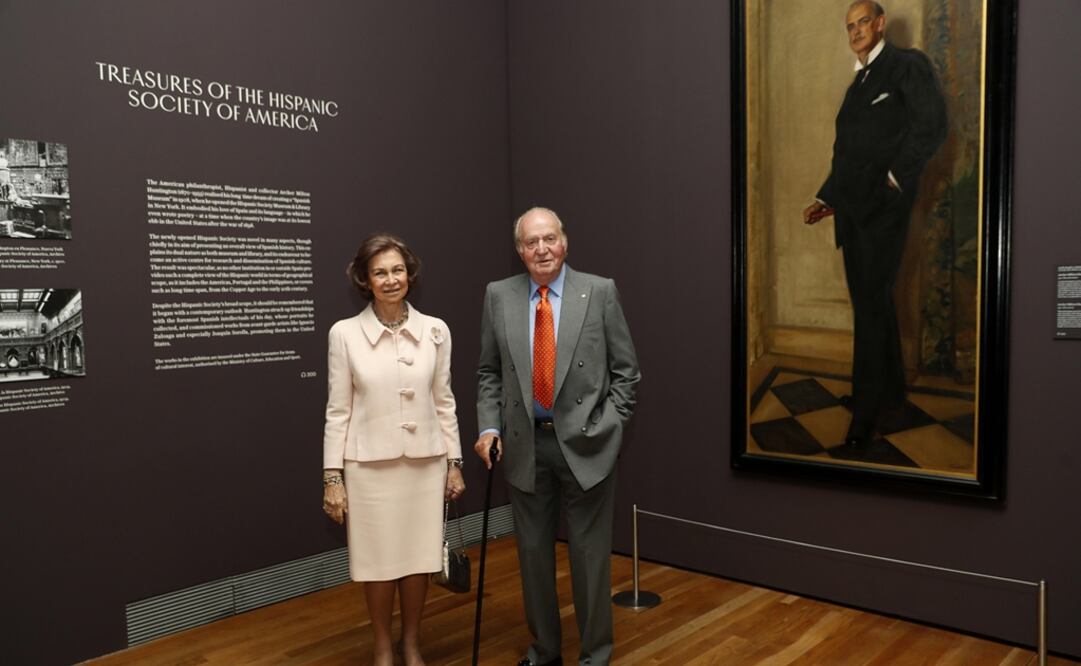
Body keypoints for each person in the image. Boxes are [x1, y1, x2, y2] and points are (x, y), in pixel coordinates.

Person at [474, 207, 641, 666]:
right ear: (520, 250)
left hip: (588, 446)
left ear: (564, 243)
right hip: (525, 447)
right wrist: (489, 426)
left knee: (589, 561)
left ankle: (595, 656)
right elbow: (489, 372)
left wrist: (611, 424)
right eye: (531, 242)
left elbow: (627, 372)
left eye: (549, 239)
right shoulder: (498, 296)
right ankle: (545, 651)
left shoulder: (599, 291)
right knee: (532, 558)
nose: (541, 249)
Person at [802, 0, 947, 447]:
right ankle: (887, 397)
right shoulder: (858, 82)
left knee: (872, 305)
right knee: (874, 306)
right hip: (852, 212)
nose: (856, 31)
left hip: (883, 211)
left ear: (880, 23)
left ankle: (867, 411)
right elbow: (847, 155)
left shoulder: (907, 66)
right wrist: (826, 196)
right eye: (850, 26)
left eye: (863, 22)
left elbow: (932, 126)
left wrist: (893, 178)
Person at [321, 233, 466, 666]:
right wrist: (333, 477)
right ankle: (383, 646)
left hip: (425, 463)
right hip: (368, 469)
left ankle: (413, 643)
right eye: (380, 272)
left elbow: (445, 401)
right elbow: (337, 411)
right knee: (378, 564)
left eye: (397, 270)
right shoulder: (344, 335)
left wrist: (454, 463)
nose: (390, 279)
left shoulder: (436, 331)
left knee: (420, 560)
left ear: (410, 274)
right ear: (365, 280)